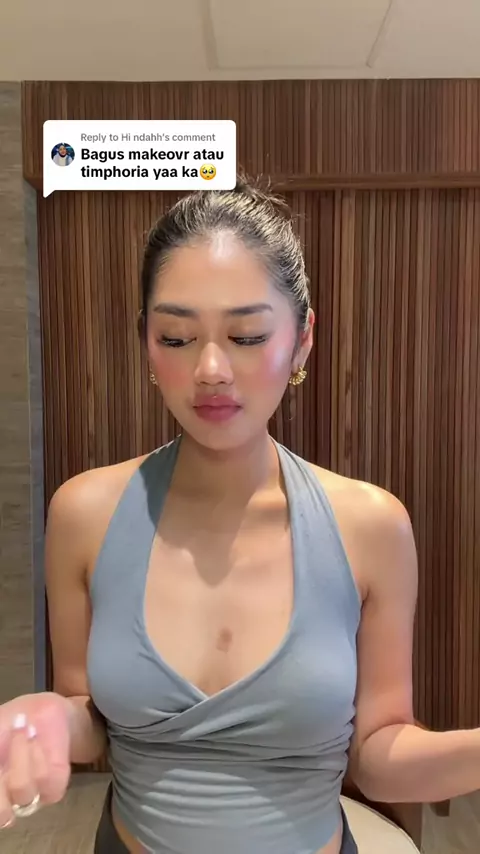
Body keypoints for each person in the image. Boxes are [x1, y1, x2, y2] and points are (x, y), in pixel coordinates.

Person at [1, 178, 480, 854]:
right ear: (146, 343)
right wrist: (47, 716)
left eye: (248, 335)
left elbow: (379, 754)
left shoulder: (371, 527)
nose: (211, 369)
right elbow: (90, 718)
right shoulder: (84, 515)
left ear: (302, 340)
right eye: (176, 337)